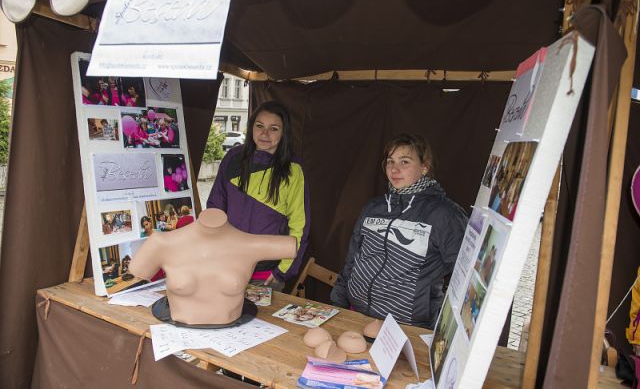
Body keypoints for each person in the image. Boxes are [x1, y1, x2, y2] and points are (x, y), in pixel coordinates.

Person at [330, 133, 467, 329]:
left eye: (405, 162)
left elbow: (464, 276)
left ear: (424, 167)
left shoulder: (445, 214)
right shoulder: (373, 207)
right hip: (358, 316)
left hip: (407, 326)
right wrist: (337, 305)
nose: (394, 169)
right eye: (390, 161)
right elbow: (351, 261)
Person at [206, 101, 310, 291]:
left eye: (274, 128)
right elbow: (215, 208)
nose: (264, 134)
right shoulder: (233, 158)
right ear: (251, 127)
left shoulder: (293, 169)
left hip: (266, 275)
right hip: (227, 266)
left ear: (284, 133)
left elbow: (299, 225)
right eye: (259, 126)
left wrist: (282, 271)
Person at [129, 208, 296, 325]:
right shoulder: (162, 243)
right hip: (178, 332)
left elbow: (291, 245)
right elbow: (138, 270)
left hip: (234, 334)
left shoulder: (251, 245)